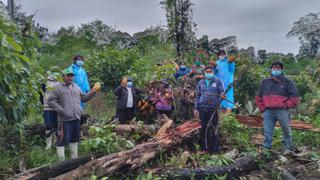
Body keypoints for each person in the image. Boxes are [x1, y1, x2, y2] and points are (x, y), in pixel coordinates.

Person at [48, 67, 101, 160]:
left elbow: (83, 98)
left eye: (71, 76)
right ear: (63, 76)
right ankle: (61, 162)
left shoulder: (76, 87)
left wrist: (93, 91)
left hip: (76, 118)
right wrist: (61, 111)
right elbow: (51, 101)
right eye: (68, 76)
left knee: (74, 139)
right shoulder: (57, 87)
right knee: (61, 140)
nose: (70, 78)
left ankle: (74, 160)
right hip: (64, 119)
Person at [255, 61, 299, 153]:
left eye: (278, 68)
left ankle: (288, 147)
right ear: (271, 70)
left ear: (281, 70)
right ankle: (266, 148)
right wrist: (262, 108)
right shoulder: (265, 82)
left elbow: (294, 96)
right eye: (274, 68)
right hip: (268, 111)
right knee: (267, 131)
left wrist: (287, 105)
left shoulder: (287, 81)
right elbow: (258, 97)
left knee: (286, 130)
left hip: (282, 110)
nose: (276, 70)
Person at [194, 66, 225, 153]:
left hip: (213, 108)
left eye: (210, 71)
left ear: (213, 72)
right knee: (203, 128)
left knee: (213, 128)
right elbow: (198, 96)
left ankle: (215, 149)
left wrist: (222, 95)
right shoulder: (201, 82)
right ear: (204, 72)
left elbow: (221, 93)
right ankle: (204, 148)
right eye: (207, 71)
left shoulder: (217, 81)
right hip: (202, 108)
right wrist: (196, 108)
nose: (209, 73)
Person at [41, 74, 59, 150]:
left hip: (57, 107)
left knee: (56, 125)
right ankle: (48, 144)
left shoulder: (59, 83)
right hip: (48, 108)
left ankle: (55, 142)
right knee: (48, 125)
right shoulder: (44, 84)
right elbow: (41, 95)